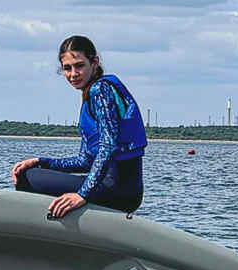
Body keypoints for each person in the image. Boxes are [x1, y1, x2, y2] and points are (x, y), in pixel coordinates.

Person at [11, 35, 146, 218]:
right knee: (31, 170)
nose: (73, 74)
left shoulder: (99, 90)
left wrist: (82, 195)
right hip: (119, 190)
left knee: (27, 177)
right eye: (67, 68)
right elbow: (85, 161)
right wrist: (41, 162)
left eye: (79, 65)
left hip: (116, 190)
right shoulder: (93, 93)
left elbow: (108, 146)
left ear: (94, 62)